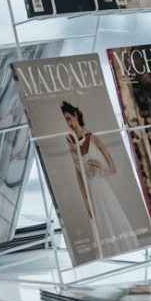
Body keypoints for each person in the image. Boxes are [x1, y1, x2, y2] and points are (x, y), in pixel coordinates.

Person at [61, 101, 138, 258]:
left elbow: (113, 169)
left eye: (69, 118)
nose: (69, 123)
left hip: (102, 188)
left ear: (76, 115)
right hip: (91, 192)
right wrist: (85, 200)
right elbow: (79, 175)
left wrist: (100, 167)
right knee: (100, 224)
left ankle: (124, 253)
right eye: (66, 120)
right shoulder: (70, 140)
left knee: (112, 218)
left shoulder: (92, 137)